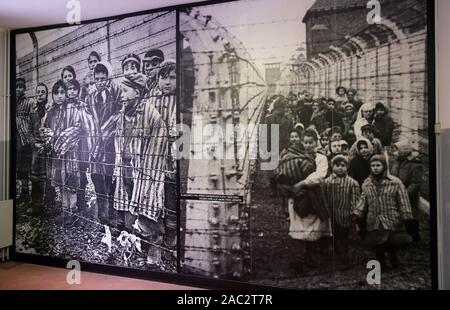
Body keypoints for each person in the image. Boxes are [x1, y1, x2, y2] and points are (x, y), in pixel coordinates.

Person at [111, 74, 168, 266]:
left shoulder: (151, 114)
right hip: (126, 168)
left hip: (146, 172)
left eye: (125, 91)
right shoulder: (123, 113)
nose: (122, 95)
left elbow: (157, 149)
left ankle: (155, 249)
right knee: (129, 206)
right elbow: (118, 142)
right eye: (121, 91)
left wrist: (145, 175)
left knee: (147, 207)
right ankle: (137, 245)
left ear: (138, 92)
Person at [353, 154, 413, 269]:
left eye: (378, 165)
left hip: (390, 217)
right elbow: (363, 200)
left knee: (391, 243)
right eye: (373, 165)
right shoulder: (367, 183)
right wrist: (357, 213)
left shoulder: (395, 182)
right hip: (374, 219)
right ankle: (382, 264)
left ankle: (394, 262)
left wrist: (406, 215)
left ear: (384, 166)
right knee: (377, 244)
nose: (375, 168)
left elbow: (403, 199)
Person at [41, 80, 82, 226]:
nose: (59, 96)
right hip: (57, 156)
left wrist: (61, 138)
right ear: (52, 95)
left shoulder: (72, 109)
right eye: (56, 93)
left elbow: (77, 129)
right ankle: (65, 211)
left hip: (69, 154)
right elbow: (44, 130)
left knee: (70, 182)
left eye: (62, 92)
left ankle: (73, 212)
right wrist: (50, 138)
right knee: (62, 183)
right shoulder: (51, 112)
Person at [146, 59, 177, 250]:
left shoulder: (181, 101)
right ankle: (155, 238)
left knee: (171, 194)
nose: (167, 81)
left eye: (172, 77)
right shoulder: (150, 100)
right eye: (163, 77)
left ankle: (172, 233)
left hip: (174, 157)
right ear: (157, 79)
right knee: (154, 195)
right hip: (155, 157)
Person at [322, 155, 360, 268]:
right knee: (333, 236)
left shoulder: (352, 183)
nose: (340, 168)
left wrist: (354, 213)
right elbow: (324, 197)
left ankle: (345, 259)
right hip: (331, 214)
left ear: (347, 167)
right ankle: (335, 257)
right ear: (332, 166)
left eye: (343, 166)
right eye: (337, 165)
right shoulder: (327, 182)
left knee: (344, 238)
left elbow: (355, 199)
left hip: (345, 214)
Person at [390, 140, 424, 243]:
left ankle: (415, 238)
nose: (394, 152)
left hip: (409, 195)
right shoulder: (397, 162)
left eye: (396, 150)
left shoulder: (415, 165)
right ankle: (401, 236)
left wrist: (404, 194)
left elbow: (415, 183)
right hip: (397, 193)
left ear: (403, 151)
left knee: (411, 216)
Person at [28, 83, 49, 215]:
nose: (40, 94)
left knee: (49, 177)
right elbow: (29, 131)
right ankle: (36, 204)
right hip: (36, 149)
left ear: (47, 94)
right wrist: (34, 144)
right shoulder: (32, 111)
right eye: (38, 92)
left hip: (48, 147)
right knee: (35, 177)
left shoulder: (50, 109)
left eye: (43, 92)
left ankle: (48, 203)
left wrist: (47, 144)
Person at [16, 77, 34, 207]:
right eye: (16, 86)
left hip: (24, 139)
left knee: (25, 167)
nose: (18, 89)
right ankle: (23, 192)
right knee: (19, 170)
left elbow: (33, 118)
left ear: (24, 88)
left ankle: (28, 194)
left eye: (21, 87)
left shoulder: (28, 102)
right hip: (14, 139)